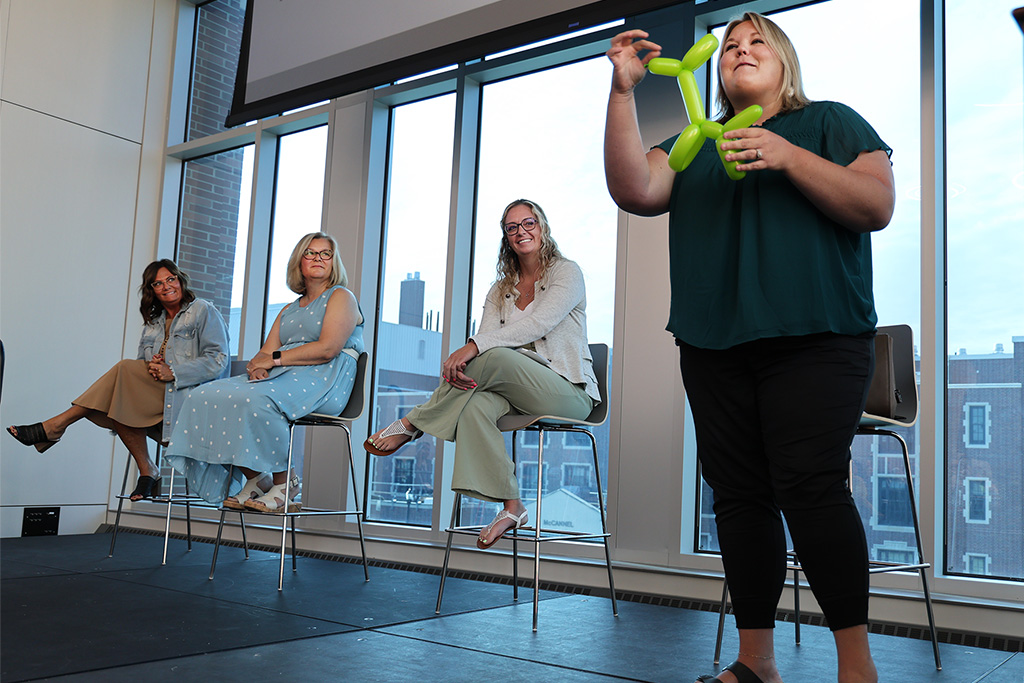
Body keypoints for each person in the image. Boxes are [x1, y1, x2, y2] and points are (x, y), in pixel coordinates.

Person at [604, 13, 894, 683]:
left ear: (784, 61)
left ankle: (857, 666)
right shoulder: (693, 142)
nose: (739, 49)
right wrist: (623, 93)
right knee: (737, 495)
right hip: (714, 340)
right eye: (729, 44)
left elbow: (877, 203)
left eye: (756, 40)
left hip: (816, 337)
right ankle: (756, 662)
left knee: (809, 486)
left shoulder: (829, 123)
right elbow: (634, 187)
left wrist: (787, 155)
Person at [364, 199, 600, 549]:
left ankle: (412, 424)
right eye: (512, 227)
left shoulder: (567, 273)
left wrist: (471, 346)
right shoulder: (500, 290)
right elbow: (487, 345)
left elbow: (537, 324)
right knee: (474, 406)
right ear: (506, 237)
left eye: (529, 223)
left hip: (568, 392)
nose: (522, 231)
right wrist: (474, 351)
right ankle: (512, 506)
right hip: (514, 392)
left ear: (543, 227)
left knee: (489, 356)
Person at [164, 232, 363, 513]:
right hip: (286, 375)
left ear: (334, 262)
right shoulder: (289, 310)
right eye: (310, 253)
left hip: (325, 379)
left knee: (259, 400)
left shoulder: (342, 297)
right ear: (299, 262)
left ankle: (285, 483)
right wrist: (256, 367)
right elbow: (264, 353)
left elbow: (328, 349)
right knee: (206, 394)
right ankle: (256, 477)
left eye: (325, 253)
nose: (318, 258)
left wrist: (275, 360)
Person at [7, 260, 230, 501]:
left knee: (122, 382)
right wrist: (155, 362)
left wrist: (173, 371)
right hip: (157, 399)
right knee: (120, 396)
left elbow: (218, 360)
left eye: (171, 279)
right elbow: (140, 366)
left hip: (187, 398)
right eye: (158, 283)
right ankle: (147, 469)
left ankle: (55, 427)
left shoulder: (203, 310)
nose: (166, 286)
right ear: (151, 290)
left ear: (180, 280)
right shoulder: (155, 322)